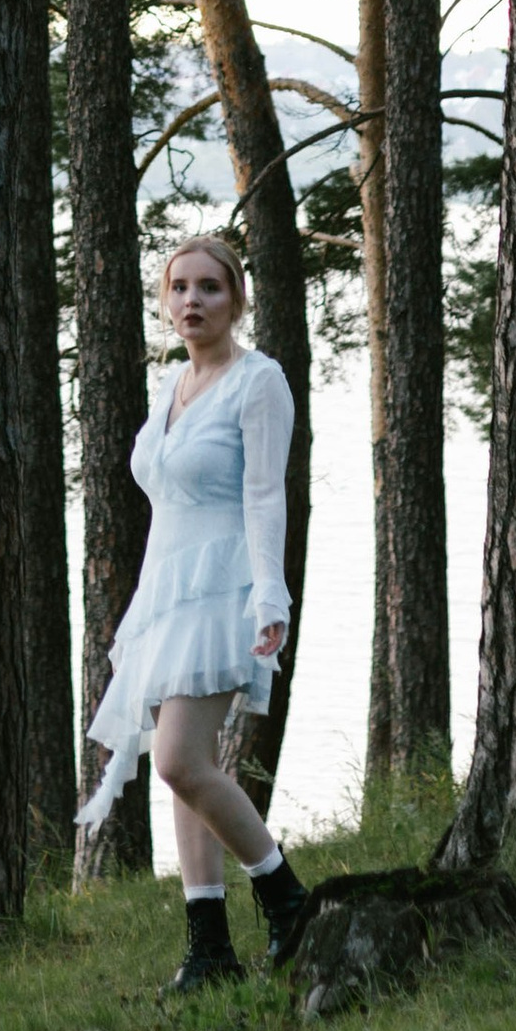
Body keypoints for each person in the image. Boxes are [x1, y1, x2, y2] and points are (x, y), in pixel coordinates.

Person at [76, 233, 312, 991]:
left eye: (209, 287)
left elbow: (265, 495)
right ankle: (208, 948)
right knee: (185, 770)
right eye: (179, 288)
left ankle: (288, 901)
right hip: (167, 592)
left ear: (236, 298)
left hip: (225, 590)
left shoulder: (259, 381)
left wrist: (271, 596)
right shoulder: (171, 385)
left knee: (179, 760)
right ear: (165, 300)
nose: (192, 301)